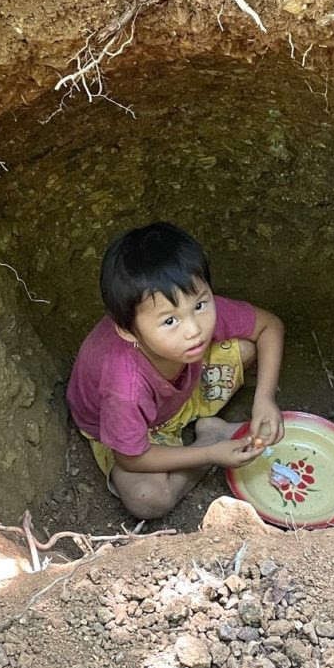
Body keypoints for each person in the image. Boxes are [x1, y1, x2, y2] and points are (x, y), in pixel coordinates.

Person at [67, 222, 286, 520]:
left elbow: (269, 326)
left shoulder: (183, 304)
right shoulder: (123, 387)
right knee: (148, 499)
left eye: (200, 305)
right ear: (129, 332)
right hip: (130, 431)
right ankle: (210, 437)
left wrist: (265, 398)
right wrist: (211, 454)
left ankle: (205, 425)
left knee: (247, 346)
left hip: (180, 392)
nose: (194, 329)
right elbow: (131, 459)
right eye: (170, 321)